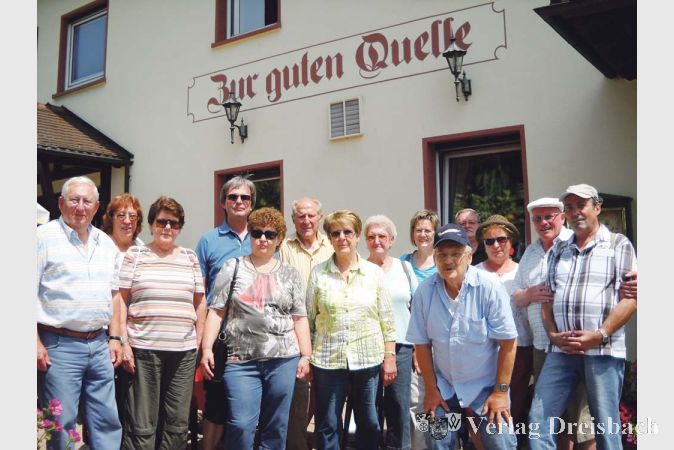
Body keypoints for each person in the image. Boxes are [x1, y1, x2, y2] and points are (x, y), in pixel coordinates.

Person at [528, 184, 637, 450]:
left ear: (597, 208)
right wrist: (552, 334)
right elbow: (547, 299)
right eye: (570, 207)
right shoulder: (559, 249)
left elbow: (631, 299)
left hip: (602, 350)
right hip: (561, 351)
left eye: (582, 205)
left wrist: (599, 335)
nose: (576, 212)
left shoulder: (618, 244)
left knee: (605, 428)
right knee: (538, 422)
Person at [200, 207, 312, 449]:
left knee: (276, 425)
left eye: (270, 234)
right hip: (240, 360)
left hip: (283, 359)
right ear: (250, 234)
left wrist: (306, 355)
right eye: (257, 233)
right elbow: (216, 311)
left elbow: (299, 318)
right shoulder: (232, 267)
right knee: (240, 424)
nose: (263, 239)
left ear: (279, 239)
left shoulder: (290, 274)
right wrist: (207, 348)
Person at [406, 223, 518, 450]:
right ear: (435, 258)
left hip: (485, 387)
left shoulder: (490, 287)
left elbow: (508, 342)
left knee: (501, 440)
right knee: (437, 437)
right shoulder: (424, 292)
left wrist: (500, 392)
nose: (448, 260)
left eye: (455, 254)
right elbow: (421, 344)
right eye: (442, 254)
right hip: (444, 388)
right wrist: (431, 390)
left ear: (469, 257)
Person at [37, 176, 123, 449]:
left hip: (99, 344)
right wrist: (34, 342)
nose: (81, 207)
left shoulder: (105, 243)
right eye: (74, 200)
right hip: (58, 345)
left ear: (96, 207)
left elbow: (115, 295)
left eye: (87, 201)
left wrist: (115, 338)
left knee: (106, 420)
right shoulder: (42, 238)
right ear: (61, 203)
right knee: (61, 424)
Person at [116, 196, 206, 449]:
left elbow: (200, 303)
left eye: (174, 223)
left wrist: (198, 344)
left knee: (177, 423)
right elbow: (121, 301)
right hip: (143, 350)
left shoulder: (189, 257)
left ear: (180, 228)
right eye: (162, 221)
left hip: (183, 353)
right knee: (142, 423)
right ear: (151, 224)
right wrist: (123, 342)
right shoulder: (135, 255)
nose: (167, 227)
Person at [307, 210, 397, 450]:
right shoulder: (318, 273)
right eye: (335, 233)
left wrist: (389, 356)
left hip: (367, 358)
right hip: (328, 360)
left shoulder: (374, 273)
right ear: (329, 238)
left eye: (347, 232)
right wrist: (307, 356)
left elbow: (387, 320)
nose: (342, 238)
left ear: (357, 236)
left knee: (369, 422)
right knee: (327, 422)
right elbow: (309, 319)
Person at [195, 175, 254, 449]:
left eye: (245, 197)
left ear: (252, 204)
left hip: (255, 334)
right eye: (233, 197)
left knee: (249, 403)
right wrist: (202, 340)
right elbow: (199, 293)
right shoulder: (208, 241)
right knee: (216, 401)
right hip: (220, 332)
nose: (239, 201)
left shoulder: (263, 238)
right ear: (223, 203)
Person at [280, 197, 335, 450]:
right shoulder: (284, 247)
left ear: (320, 218)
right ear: (293, 219)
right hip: (294, 329)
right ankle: (297, 443)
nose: (306, 220)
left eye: (311, 215)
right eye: (301, 216)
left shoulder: (332, 245)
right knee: (298, 391)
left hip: (327, 329)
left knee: (326, 392)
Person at [475, 215, 531, 449]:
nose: (496, 245)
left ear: (511, 242)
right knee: (484, 410)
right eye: (489, 241)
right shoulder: (474, 273)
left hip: (520, 349)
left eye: (501, 239)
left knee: (514, 408)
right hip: (485, 353)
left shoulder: (522, 272)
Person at [365, 215, 418, 450]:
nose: (377, 241)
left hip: (402, 345)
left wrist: (417, 349)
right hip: (368, 346)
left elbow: (416, 308)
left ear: (392, 240)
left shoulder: (404, 268)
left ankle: (399, 447)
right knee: (371, 405)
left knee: (399, 404)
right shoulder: (361, 269)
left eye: (382, 236)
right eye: (371, 237)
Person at [101, 193, 145, 427]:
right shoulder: (100, 246)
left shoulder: (142, 250)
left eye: (133, 216)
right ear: (111, 218)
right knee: (105, 398)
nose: (127, 221)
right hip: (105, 332)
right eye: (121, 215)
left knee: (130, 397)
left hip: (136, 331)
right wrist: (118, 337)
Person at [400, 209, 440, 450]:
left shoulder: (443, 261)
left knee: (442, 398)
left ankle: (442, 444)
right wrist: (417, 346)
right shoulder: (403, 263)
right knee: (416, 400)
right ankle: (421, 446)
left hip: (441, 342)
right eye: (418, 230)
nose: (423, 234)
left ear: (435, 233)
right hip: (414, 341)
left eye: (428, 230)